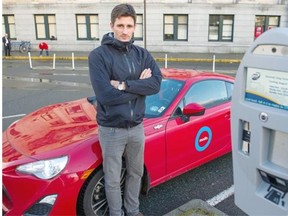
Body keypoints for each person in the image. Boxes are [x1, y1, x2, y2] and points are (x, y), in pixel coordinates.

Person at [88, 3, 162, 216]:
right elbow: (105, 96)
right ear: (111, 25)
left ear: (134, 27)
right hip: (111, 129)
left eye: (129, 25)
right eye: (120, 25)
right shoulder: (98, 56)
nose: (124, 30)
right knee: (112, 177)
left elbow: (156, 85)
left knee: (136, 173)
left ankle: (133, 211)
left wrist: (123, 85)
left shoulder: (142, 54)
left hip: (137, 127)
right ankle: (116, 213)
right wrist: (140, 87)